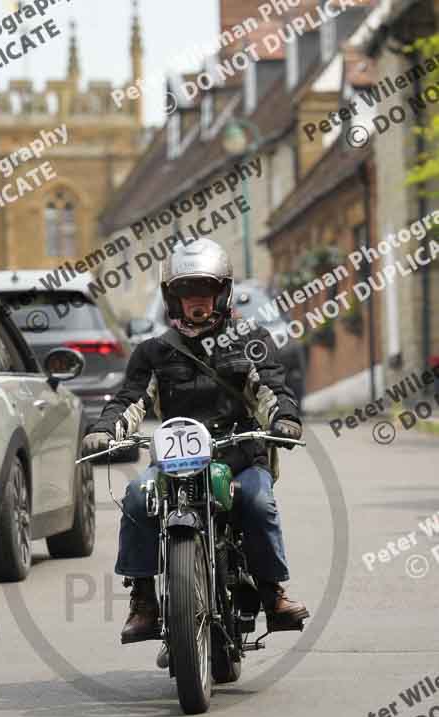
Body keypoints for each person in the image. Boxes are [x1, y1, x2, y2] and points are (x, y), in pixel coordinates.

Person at [84, 238, 309, 649]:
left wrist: (285, 418)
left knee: (257, 502)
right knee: (137, 496)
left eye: (204, 290)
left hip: (238, 454)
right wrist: (106, 428)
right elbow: (129, 399)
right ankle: (144, 600)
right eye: (186, 292)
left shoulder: (251, 340)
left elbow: (272, 388)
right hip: (176, 459)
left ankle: (272, 593)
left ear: (221, 293)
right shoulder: (153, 351)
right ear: (173, 298)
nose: (196, 300)